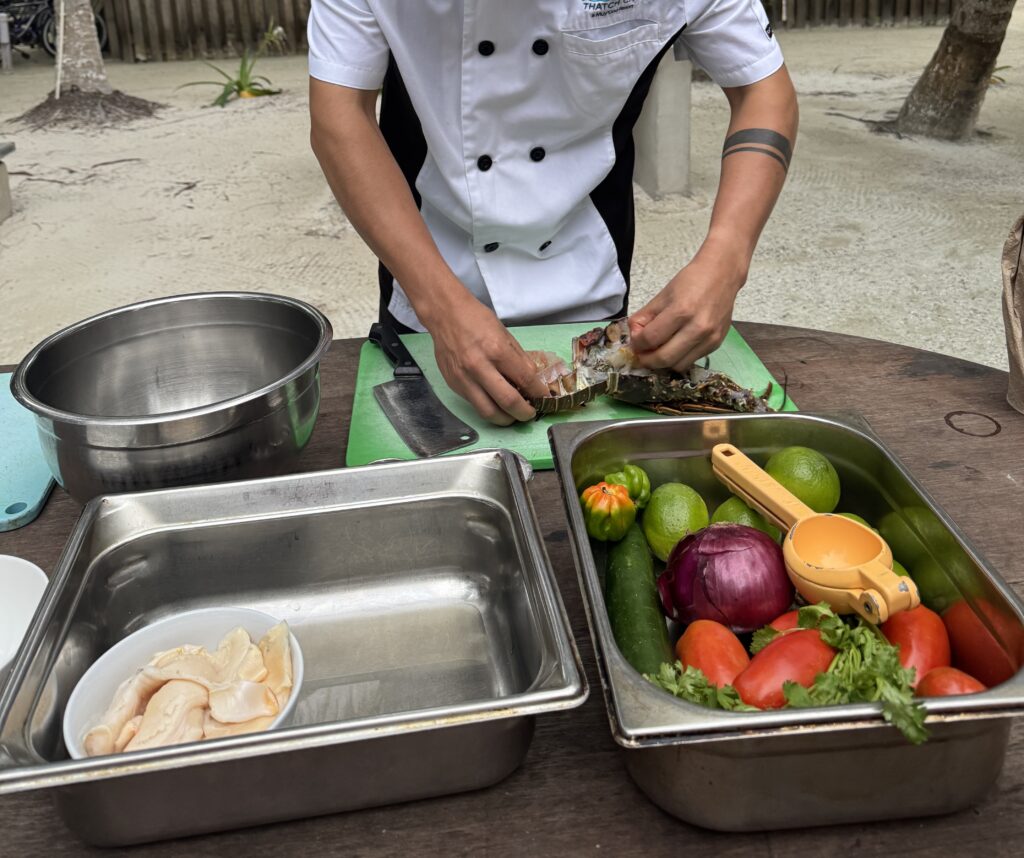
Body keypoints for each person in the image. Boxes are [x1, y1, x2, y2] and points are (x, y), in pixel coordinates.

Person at [308, 1, 798, 425]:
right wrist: (440, 308)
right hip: (428, 280)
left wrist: (727, 257)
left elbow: (762, 90)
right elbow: (339, 116)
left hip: (587, 277)